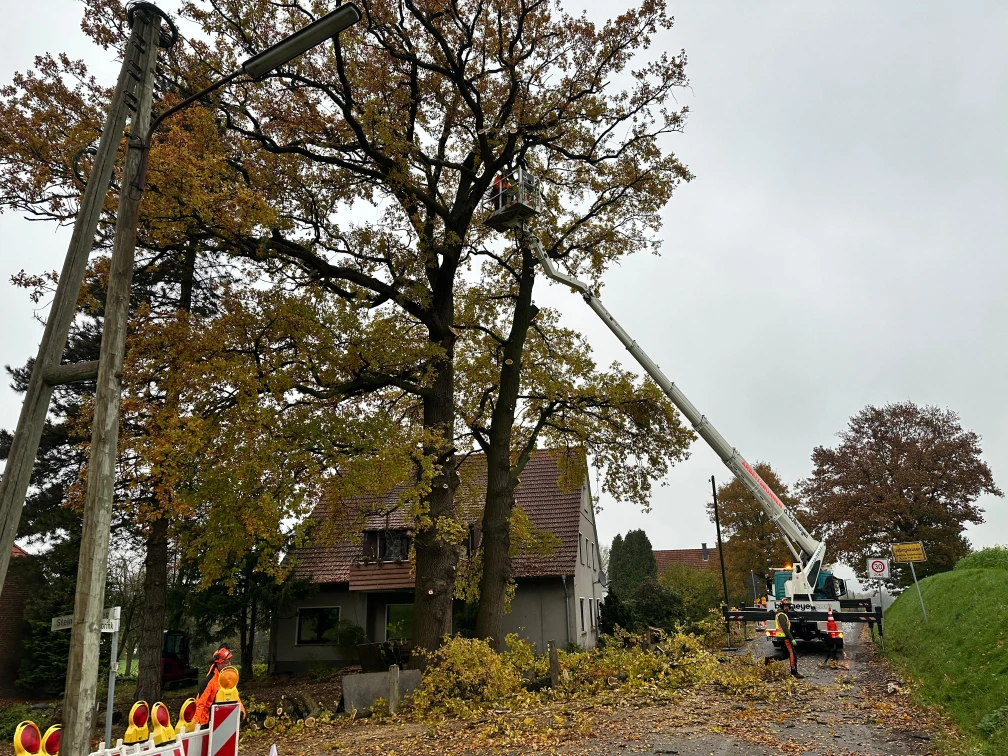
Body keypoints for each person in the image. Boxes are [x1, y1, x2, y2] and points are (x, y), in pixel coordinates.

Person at [194, 644, 245, 726]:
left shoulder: (228, 678)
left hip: (224, 719)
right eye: (225, 663)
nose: (228, 665)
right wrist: (196, 725)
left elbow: (235, 696)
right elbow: (200, 704)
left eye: (229, 662)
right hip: (207, 722)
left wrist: (241, 712)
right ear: (218, 664)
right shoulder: (209, 682)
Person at [775, 598, 803, 678]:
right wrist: (791, 639)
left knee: (785, 655)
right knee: (792, 654)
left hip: (783, 638)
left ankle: (769, 660)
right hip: (785, 638)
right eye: (785, 606)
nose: (787, 608)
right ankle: (794, 672)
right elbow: (785, 628)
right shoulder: (781, 615)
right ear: (782, 606)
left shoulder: (783, 614)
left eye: (788, 606)